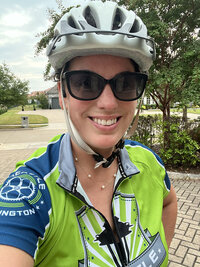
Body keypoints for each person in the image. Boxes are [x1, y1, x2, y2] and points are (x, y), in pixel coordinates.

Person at [0, 1, 177, 266]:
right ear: (62, 94)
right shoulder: (28, 193)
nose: (107, 103)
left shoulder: (148, 162)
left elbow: (168, 202)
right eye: (85, 83)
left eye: (126, 83)